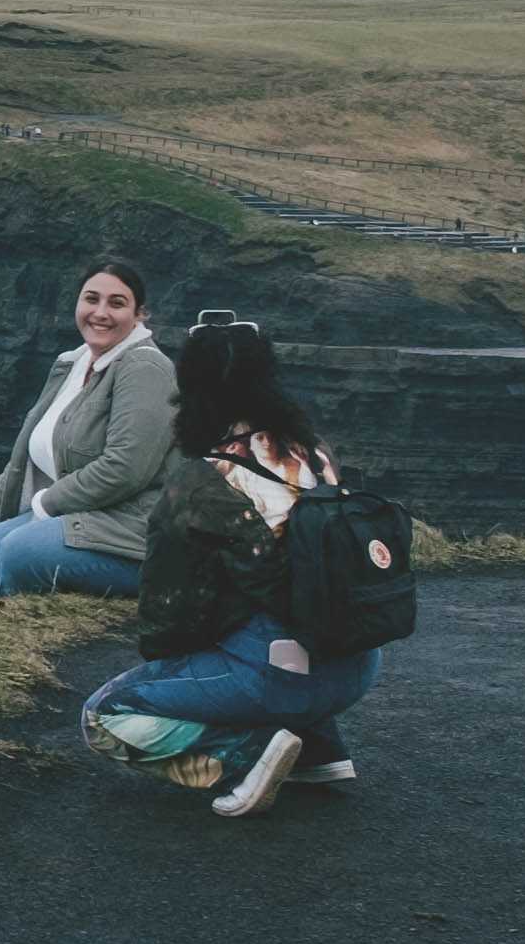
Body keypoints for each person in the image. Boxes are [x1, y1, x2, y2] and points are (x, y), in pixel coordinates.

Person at [79, 313, 375, 818]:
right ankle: (319, 748)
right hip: (358, 663)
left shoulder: (202, 480)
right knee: (283, 605)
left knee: (103, 715)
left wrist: (171, 663)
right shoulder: (315, 454)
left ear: (192, 390)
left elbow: (170, 617)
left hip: (281, 676)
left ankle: (246, 752)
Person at [0, 258, 172, 598]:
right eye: (91, 298)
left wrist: (44, 506)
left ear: (139, 314)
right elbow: (21, 465)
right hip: (72, 518)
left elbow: (126, 467)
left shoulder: (145, 367)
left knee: (20, 553)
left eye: (117, 303)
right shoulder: (71, 365)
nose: (100, 312)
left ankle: (13, 638)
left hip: (129, 532)